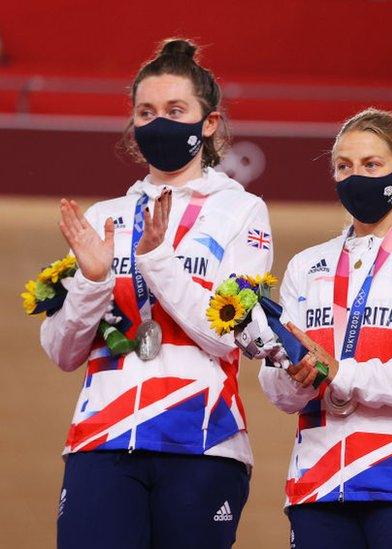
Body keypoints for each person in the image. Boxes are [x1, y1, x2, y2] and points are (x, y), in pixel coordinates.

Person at [43, 38, 272, 548]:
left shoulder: (242, 213)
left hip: (202, 440)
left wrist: (156, 259)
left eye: (175, 110)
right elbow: (63, 352)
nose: (159, 123)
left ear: (208, 123)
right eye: (145, 112)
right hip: (102, 438)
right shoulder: (105, 218)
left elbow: (224, 337)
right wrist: (94, 282)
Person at [257, 108, 392, 549]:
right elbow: (278, 391)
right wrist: (294, 375)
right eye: (344, 166)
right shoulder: (307, 265)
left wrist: (342, 373)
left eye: (372, 165)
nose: (356, 177)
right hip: (318, 485)